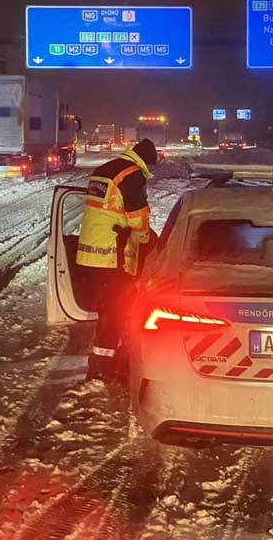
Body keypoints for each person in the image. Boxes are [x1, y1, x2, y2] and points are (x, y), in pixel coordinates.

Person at [75, 138, 159, 381]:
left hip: (90, 252)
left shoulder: (105, 169)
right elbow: (137, 218)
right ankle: (103, 367)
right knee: (115, 311)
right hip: (112, 254)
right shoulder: (132, 175)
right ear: (146, 161)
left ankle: (103, 360)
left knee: (106, 310)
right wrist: (146, 239)